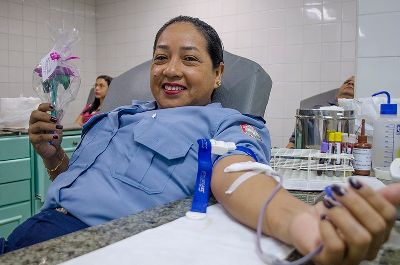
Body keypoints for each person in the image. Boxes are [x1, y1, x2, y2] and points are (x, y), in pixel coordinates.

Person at [1, 16, 399, 265]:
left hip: (85, 245)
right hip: (30, 231)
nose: (170, 70)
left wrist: (301, 223)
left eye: (189, 59)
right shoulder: (117, 116)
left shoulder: (228, 122)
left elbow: (238, 173)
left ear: (218, 73)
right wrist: (52, 156)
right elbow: (74, 186)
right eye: (161, 58)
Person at [286, 75, 355, 148]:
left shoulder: (359, 115)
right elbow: (294, 140)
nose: (350, 84)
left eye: (353, 83)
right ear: (337, 93)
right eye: (347, 82)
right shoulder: (318, 110)